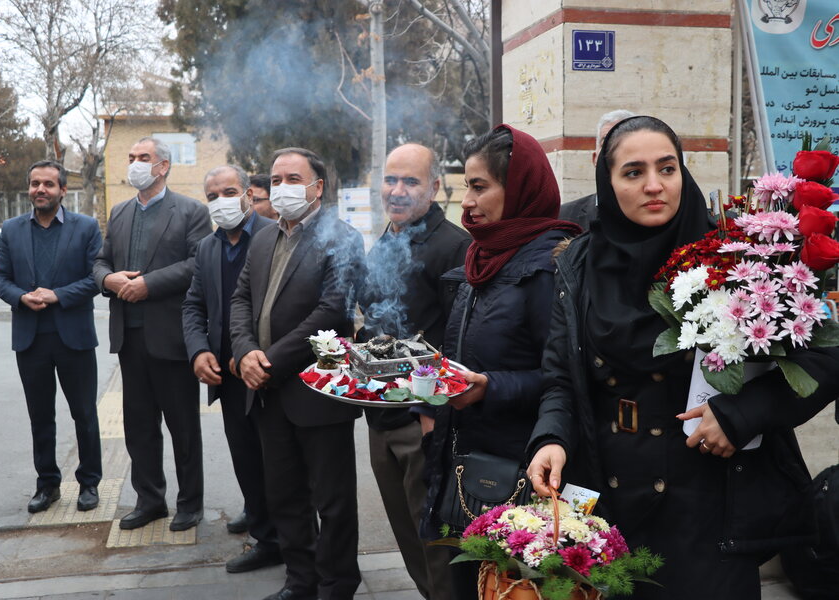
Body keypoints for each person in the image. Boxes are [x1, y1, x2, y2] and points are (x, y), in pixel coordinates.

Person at [526, 116, 839, 599]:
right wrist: (552, 437)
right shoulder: (579, 263)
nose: (654, 185)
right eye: (632, 172)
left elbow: (826, 357)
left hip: (709, 500)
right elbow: (560, 376)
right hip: (609, 500)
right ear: (606, 183)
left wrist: (742, 414)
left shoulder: (738, 253)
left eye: (667, 168)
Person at [420, 124, 580, 599]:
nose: (466, 201)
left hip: (519, 473)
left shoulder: (547, 266)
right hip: (463, 464)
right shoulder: (482, 258)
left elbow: (564, 378)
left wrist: (492, 386)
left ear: (520, 190)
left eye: (479, 186)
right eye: (464, 185)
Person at [229, 147, 365, 600]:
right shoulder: (264, 237)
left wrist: (268, 361)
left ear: (317, 187)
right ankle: (301, 582)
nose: (281, 188)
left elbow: (331, 313)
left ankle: (337, 585)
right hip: (266, 393)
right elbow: (241, 300)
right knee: (285, 496)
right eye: (275, 179)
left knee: (333, 500)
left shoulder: (342, 238)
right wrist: (245, 351)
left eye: (292, 178)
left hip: (317, 392)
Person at [357, 143, 470, 600]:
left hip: (422, 420)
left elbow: (459, 339)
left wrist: (432, 411)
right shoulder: (387, 238)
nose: (397, 191)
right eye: (390, 179)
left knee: (436, 541)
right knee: (407, 537)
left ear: (435, 188)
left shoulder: (454, 246)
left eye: (410, 181)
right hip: (380, 414)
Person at [94, 137, 210, 532]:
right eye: (131, 157)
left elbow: (198, 264)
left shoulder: (191, 211)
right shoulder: (121, 211)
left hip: (173, 338)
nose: (134, 163)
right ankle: (150, 500)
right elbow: (99, 262)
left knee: (182, 427)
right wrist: (108, 278)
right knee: (139, 426)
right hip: (130, 337)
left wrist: (150, 284)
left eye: (142, 157)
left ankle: (190, 503)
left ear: (163, 166)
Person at [181, 164, 281, 572]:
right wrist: (198, 351)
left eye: (229, 191)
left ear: (248, 193)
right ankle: (263, 528)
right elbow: (194, 305)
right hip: (227, 375)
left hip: (268, 373)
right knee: (244, 456)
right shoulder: (207, 247)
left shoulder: (274, 236)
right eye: (212, 196)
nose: (221, 201)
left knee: (278, 460)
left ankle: (288, 536)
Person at [0, 160, 103, 514]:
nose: (41, 189)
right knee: (40, 416)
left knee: (84, 413)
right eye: (35, 183)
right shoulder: (11, 229)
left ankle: (89, 483)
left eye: (49, 184)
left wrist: (57, 295)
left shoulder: (86, 228)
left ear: (63, 190)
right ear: (29, 188)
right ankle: (47, 484)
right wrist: (21, 297)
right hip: (31, 338)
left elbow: (97, 278)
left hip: (74, 337)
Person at [559, 109, 635, 231]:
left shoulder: (662, 213)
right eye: (606, 141)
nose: (615, 151)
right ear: (595, 159)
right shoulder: (564, 217)